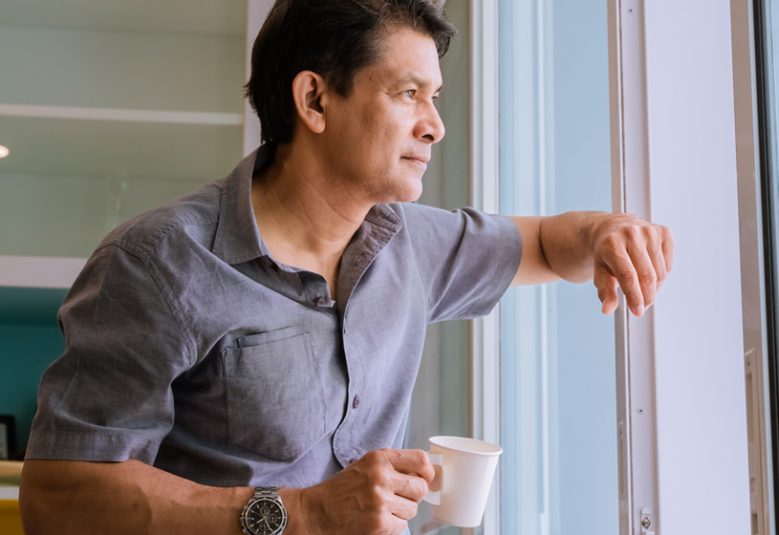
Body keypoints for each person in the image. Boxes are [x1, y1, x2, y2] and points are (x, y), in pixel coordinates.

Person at [19, 1, 673, 534]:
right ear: (315, 100)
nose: (435, 126)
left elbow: (546, 245)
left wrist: (605, 232)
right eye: (408, 93)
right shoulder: (161, 260)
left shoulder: (412, 245)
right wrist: (297, 513)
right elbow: (58, 495)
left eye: (435, 96)